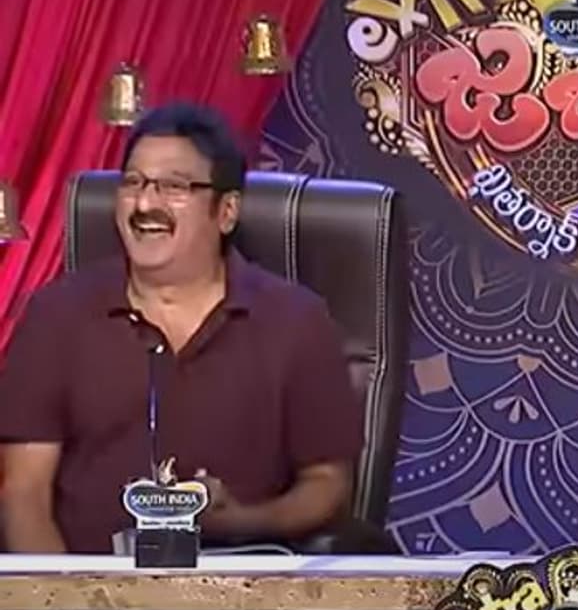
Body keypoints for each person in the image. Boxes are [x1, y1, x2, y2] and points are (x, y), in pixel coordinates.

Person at [0, 102, 363, 553]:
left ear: (226, 211)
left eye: (173, 187)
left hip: (241, 586)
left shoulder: (296, 320)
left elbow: (327, 483)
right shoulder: (57, 314)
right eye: (133, 183)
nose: (145, 204)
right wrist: (67, 594)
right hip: (89, 586)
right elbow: (24, 493)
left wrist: (240, 520)